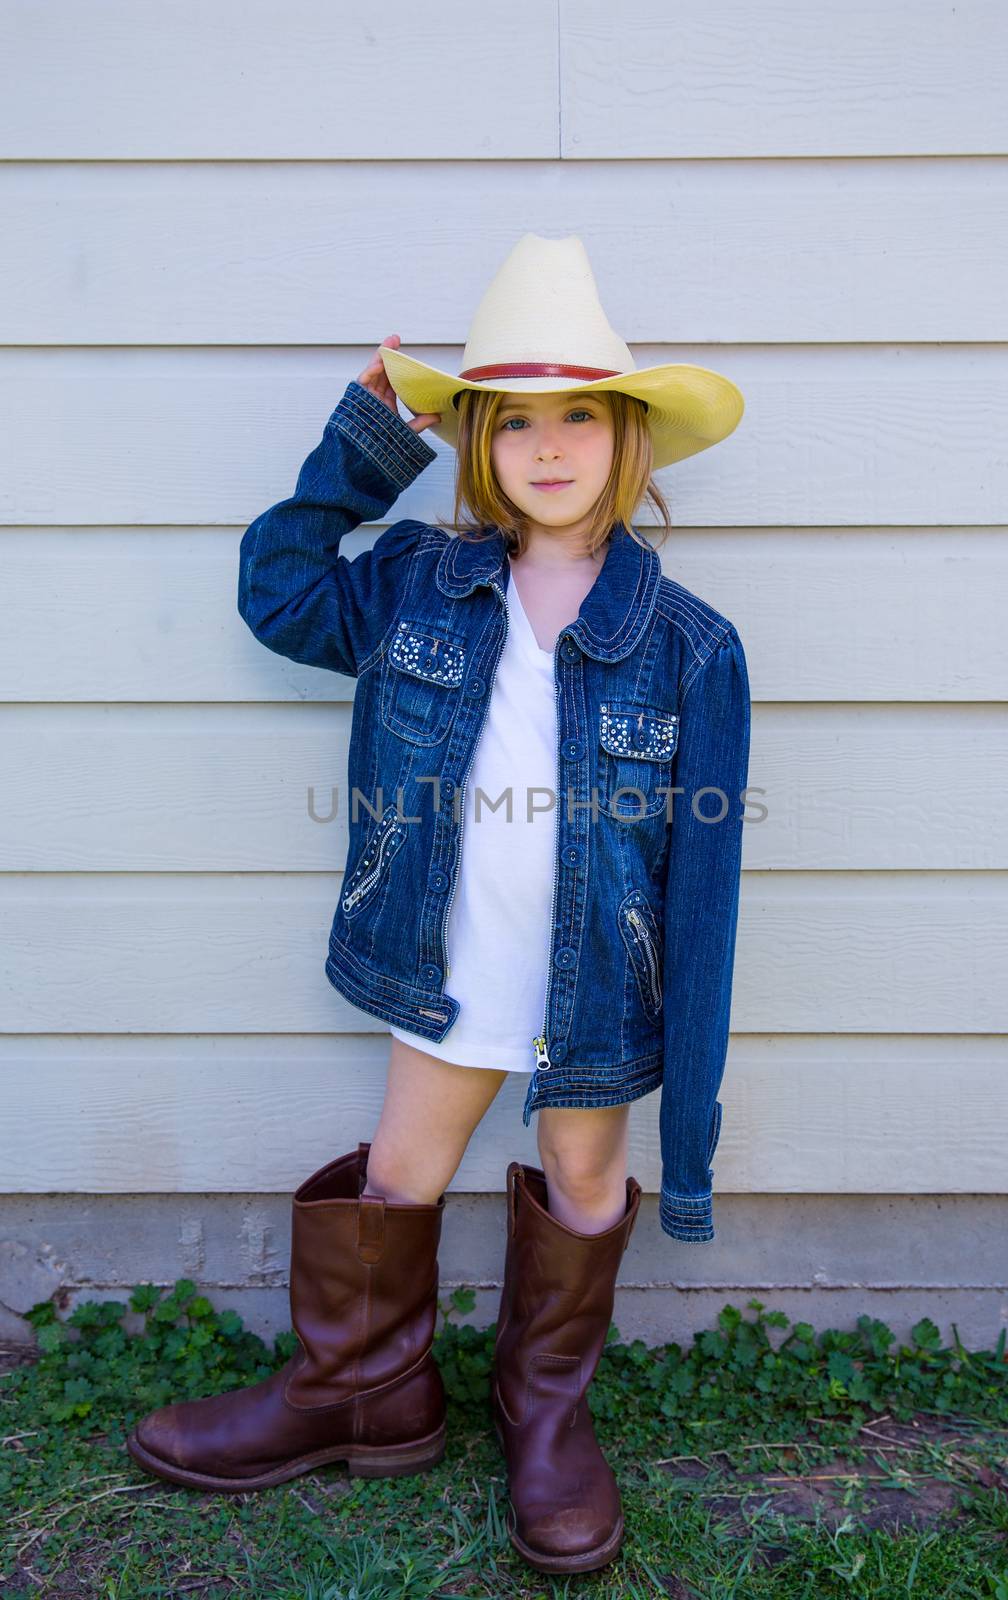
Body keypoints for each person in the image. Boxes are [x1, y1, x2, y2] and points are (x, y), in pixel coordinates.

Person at [126, 233, 751, 1577]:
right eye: (510, 417)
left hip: (596, 980)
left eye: (578, 412)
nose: (546, 445)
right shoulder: (419, 581)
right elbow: (279, 593)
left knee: (584, 1174)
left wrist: (686, 1121)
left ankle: (544, 1416)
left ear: (629, 434)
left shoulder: (692, 644)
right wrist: (363, 443)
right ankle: (362, 1391)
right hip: (446, 963)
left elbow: (704, 895)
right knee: (402, 1168)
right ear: (474, 440)